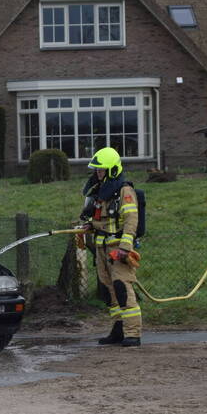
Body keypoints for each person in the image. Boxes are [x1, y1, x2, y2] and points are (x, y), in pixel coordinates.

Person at [79, 147, 142, 347]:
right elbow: (102, 219)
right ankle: (118, 330)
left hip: (117, 249)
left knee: (122, 288)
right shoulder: (101, 191)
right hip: (101, 248)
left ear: (113, 170)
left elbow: (131, 219)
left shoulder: (124, 190)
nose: (98, 173)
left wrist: (125, 246)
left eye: (102, 170)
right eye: (97, 170)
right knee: (109, 291)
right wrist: (91, 225)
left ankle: (133, 333)